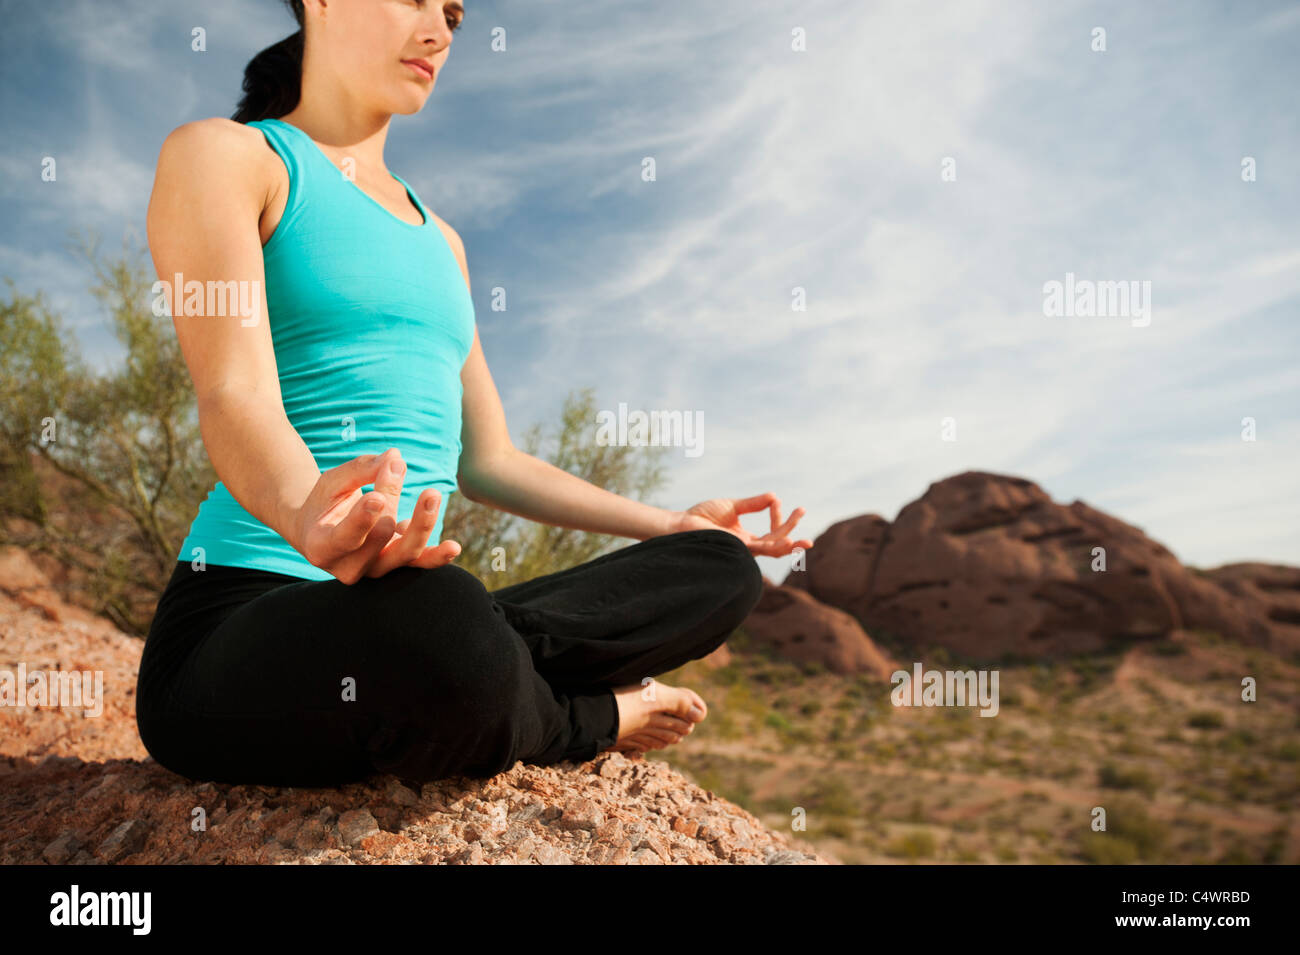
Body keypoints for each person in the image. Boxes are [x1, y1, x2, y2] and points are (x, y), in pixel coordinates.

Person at [136, 0, 813, 787]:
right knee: (448, 624)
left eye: (454, 13)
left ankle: (495, 665)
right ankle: (591, 716)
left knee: (720, 568)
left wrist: (669, 524)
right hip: (241, 614)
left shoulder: (442, 241)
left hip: (399, 611)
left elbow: (489, 460)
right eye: (416, 0)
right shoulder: (228, 156)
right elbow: (232, 392)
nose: (440, 31)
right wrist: (306, 513)